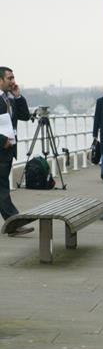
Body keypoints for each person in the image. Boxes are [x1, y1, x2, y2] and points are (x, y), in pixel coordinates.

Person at [0, 66, 33, 236]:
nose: (13, 81)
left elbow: (25, 116)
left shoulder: (10, 98)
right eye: (9, 78)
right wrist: (2, 140)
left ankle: (13, 223)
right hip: (2, 148)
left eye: (13, 78)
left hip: (7, 151)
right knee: (2, 187)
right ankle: (14, 222)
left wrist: (18, 96)